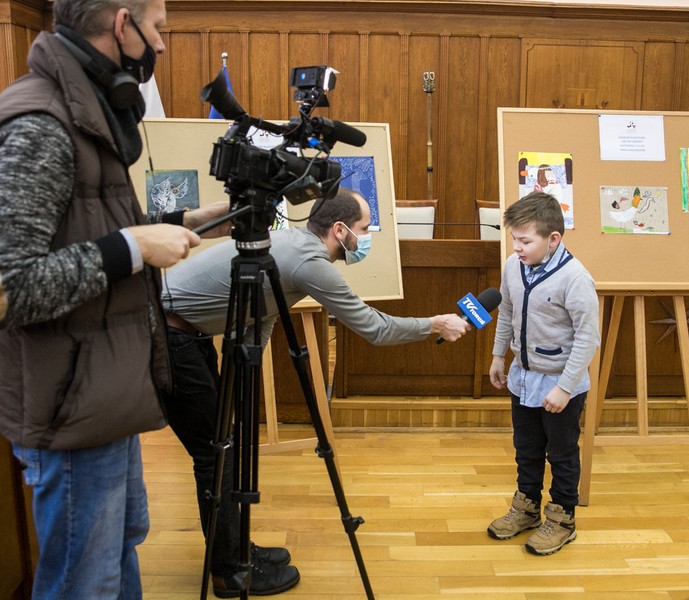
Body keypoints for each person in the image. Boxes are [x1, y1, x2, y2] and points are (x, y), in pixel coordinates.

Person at [0, 1, 229, 597]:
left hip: (96, 388)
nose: (162, 46)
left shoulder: (82, 110)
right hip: (65, 398)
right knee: (87, 580)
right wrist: (133, 245)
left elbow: (86, 221)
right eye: (158, 30)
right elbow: (0, 288)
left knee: (118, 548)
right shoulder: (42, 123)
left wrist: (188, 218)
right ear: (122, 24)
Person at [160, 187, 472, 597]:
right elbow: (374, 328)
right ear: (340, 230)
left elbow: (261, 309)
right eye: (363, 229)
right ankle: (228, 573)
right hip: (169, 339)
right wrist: (434, 324)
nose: (365, 238)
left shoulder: (289, 243)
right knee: (216, 457)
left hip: (184, 336)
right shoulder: (309, 260)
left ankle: (238, 552)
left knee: (225, 451)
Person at [486, 191, 599, 556]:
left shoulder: (576, 279)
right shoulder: (511, 266)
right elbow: (505, 312)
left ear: (553, 239)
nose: (517, 247)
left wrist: (565, 389)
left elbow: (588, 337)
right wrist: (498, 356)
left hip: (561, 384)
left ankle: (563, 518)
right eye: (514, 239)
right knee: (527, 448)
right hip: (523, 377)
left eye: (525, 241)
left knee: (562, 453)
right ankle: (527, 508)